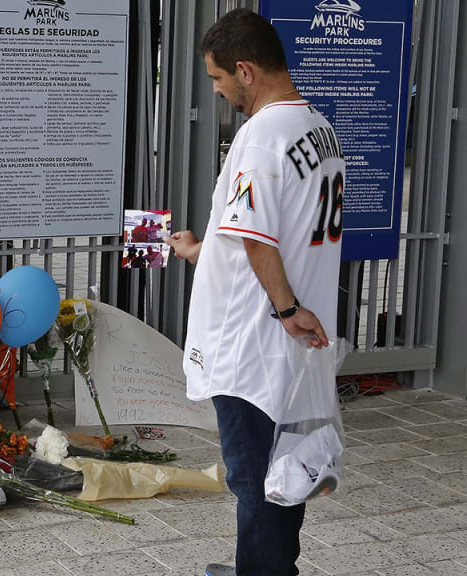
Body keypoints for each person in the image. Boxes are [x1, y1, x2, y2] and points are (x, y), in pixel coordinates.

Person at [165, 9, 344, 576]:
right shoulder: (316, 126)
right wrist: (202, 250)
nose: (217, 90)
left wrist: (286, 309)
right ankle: (264, 566)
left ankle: (263, 571)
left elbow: (260, 242)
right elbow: (261, 228)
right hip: (287, 346)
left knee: (255, 477)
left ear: (244, 69)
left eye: (218, 78)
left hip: (254, 343)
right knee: (283, 469)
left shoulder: (261, 136)